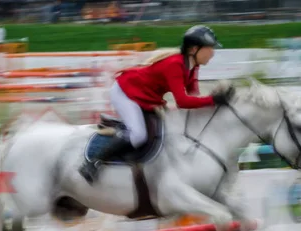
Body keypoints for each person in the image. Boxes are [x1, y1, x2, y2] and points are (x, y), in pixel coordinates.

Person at [79, 25, 235, 184]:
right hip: (125, 92)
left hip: (146, 97)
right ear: (194, 49)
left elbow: (194, 96)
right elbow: (183, 101)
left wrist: (215, 101)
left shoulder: (193, 67)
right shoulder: (174, 64)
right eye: (210, 49)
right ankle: (94, 163)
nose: (213, 53)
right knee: (139, 136)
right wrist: (213, 100)